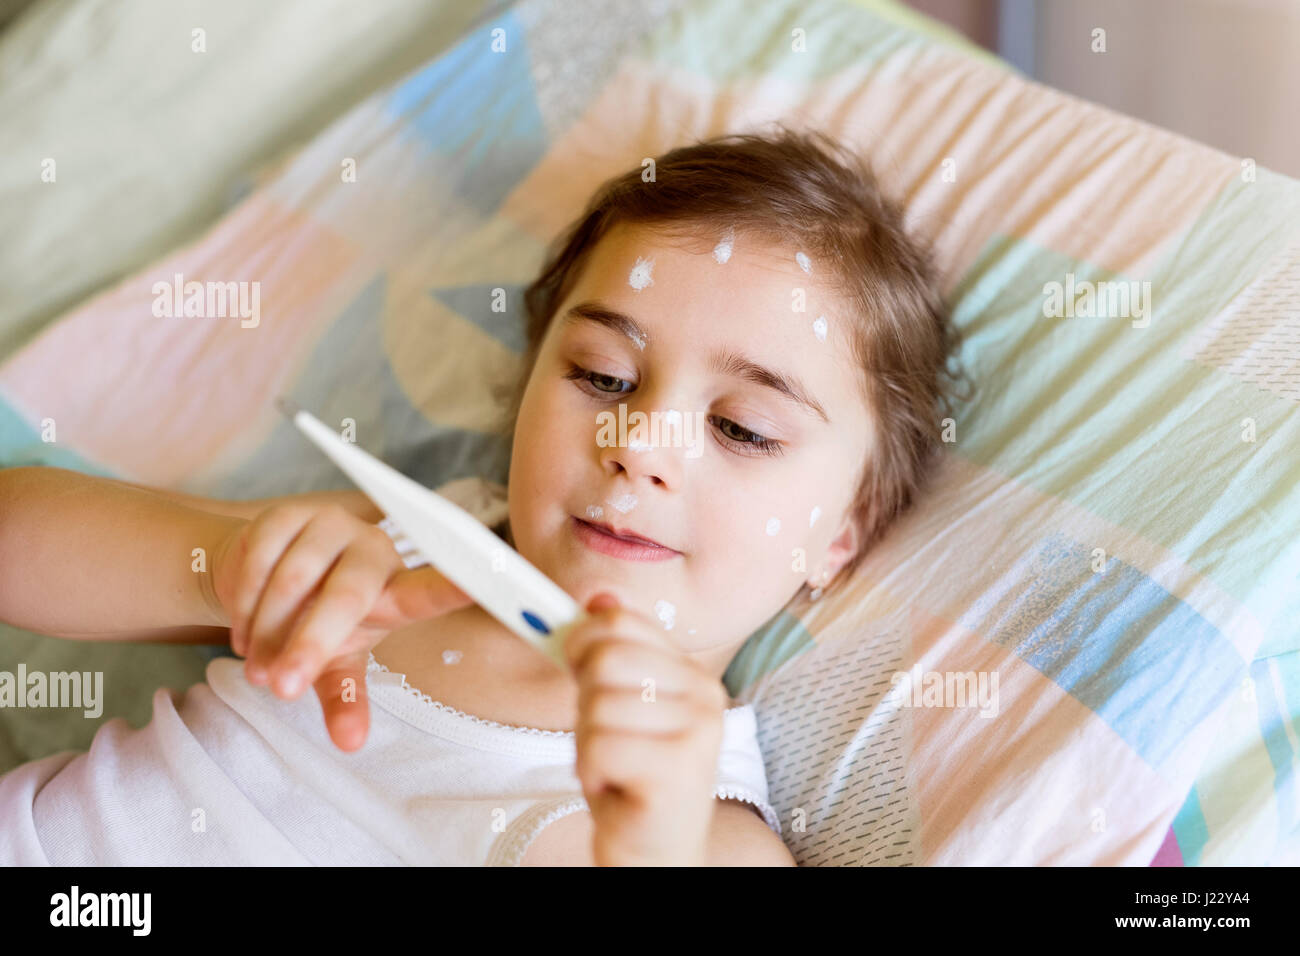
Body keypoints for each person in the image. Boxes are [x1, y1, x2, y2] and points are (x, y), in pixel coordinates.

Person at [0, 124, 964, 866]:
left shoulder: (706, 822)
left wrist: (646, 848)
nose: (637, 447)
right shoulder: (400, 548)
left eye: (742, 428)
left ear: (842, 533)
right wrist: (220, 573)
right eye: (601, 375)